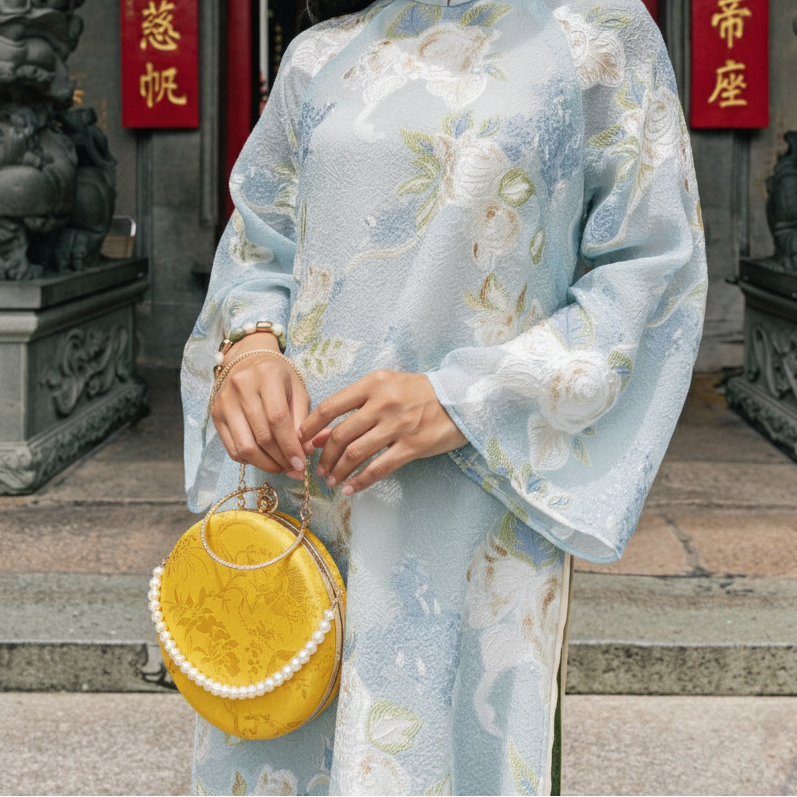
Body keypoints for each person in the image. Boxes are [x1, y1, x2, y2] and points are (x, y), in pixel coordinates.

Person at [181, 0, 706, 793]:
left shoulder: (593, 35)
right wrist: (249, 346)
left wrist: (466, 396)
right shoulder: (319, 56)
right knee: (279, 736)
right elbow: (261, 241)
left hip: (471, 496)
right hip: (299, 494)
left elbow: (649, 270)